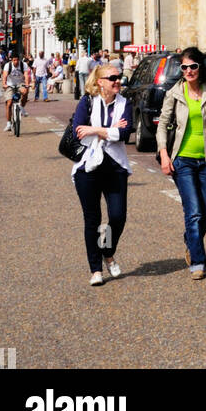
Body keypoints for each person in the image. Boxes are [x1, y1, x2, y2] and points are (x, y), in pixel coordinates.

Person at [156, 46, 206, 280]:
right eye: (184, 67)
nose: (188, 71)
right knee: (193, 211)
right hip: (183, 160)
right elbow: (162, 124)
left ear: (200, 68)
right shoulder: (175, 93)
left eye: (193, 66)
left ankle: (191, 240)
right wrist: (164, 154)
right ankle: (198, 261)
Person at [72, 61, 132, 286]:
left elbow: (125, 133)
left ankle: (108, 250)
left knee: (118, 216)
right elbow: (79, 132)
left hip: (115, 167)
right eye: (112, 78)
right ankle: (96, 269)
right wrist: (110, 130)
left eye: (119, 77)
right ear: (100, 82)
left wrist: (95, 130)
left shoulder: (125, 103)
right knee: (92, 219)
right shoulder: (87, 102)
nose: (118, 81)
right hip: (87, 168)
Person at [1, 55, 29, 129]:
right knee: (9, 103)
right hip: (10, 85)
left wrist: (26, 84)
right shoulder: (8, 65)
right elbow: (4, 76)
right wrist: (4, 84)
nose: (16, 62)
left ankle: (22, 107)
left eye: (17, 60)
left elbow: (26, 75)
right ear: (11, 60)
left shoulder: (24, 65)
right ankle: (8, 124)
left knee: (25, 91)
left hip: (20, 83)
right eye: (14, 60)